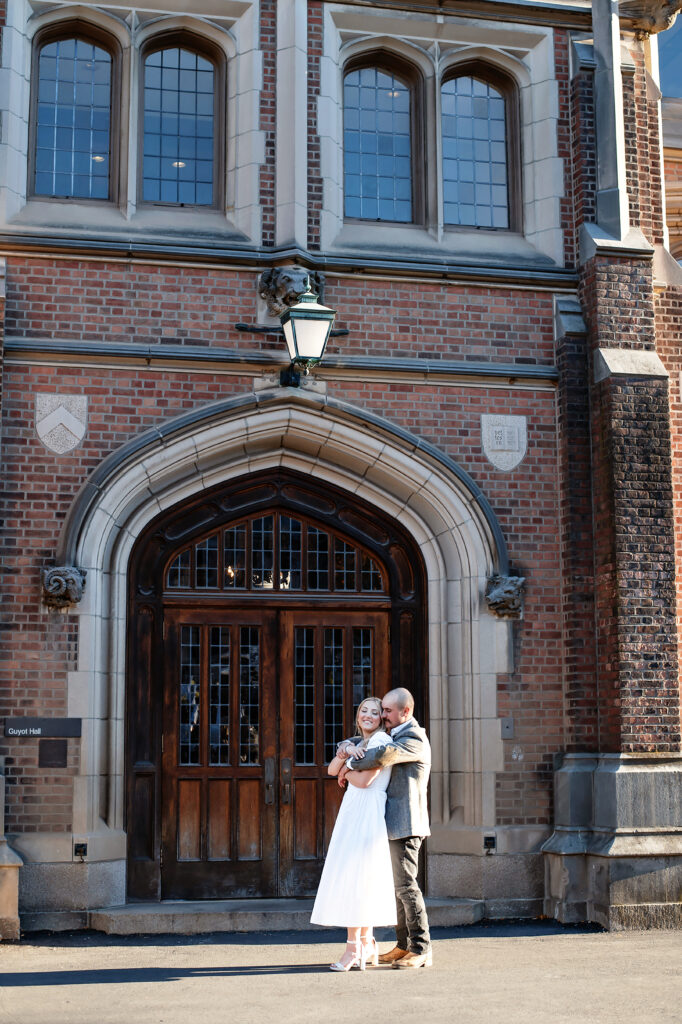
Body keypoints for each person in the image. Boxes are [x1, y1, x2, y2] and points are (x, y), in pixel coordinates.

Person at [337, 687, 432, 969]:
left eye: (388, 711)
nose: (383, 715)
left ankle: (421, 948)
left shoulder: (413, 737)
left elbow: (381, 755)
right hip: (391, 823)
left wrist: (348, 763)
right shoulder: (394, 733)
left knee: (406, 887)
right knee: (397, 887)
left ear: (406, 711)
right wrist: (346, 747)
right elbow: (360, 740)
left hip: (407, 823)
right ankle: (403, 946)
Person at [310, 696, 397, 971]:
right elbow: (330, 769)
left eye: (374, 712)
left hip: (367, 809)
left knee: (357, 876)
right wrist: (346, 752)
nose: (368, 716)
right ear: (358, 716)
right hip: (354, 810)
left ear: (381, 718)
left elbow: (365, 780)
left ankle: (353, 949)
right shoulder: (359, 743)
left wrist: (346, 769)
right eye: (363, 711)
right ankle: (366, 942)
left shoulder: (381, 742)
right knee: (358, 875)